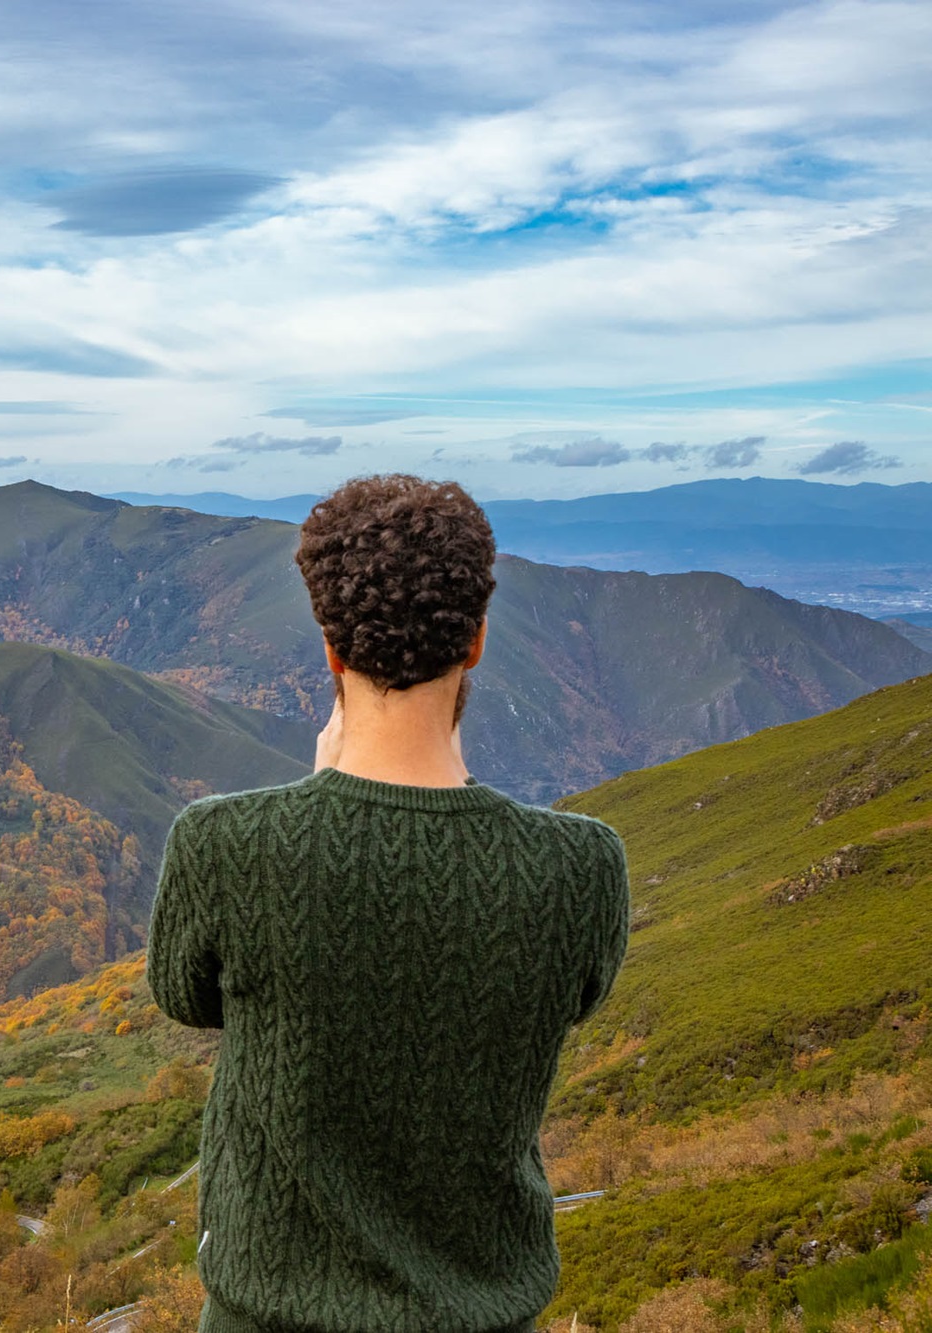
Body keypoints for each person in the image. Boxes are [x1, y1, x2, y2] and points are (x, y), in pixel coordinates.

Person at [148, 474, 631, 1333]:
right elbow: (573, 998)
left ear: (330, 649)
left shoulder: (223, 846)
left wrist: (322, 796)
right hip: (484, 1314)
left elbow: (185, 994)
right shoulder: (582, 869)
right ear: (477, 640)